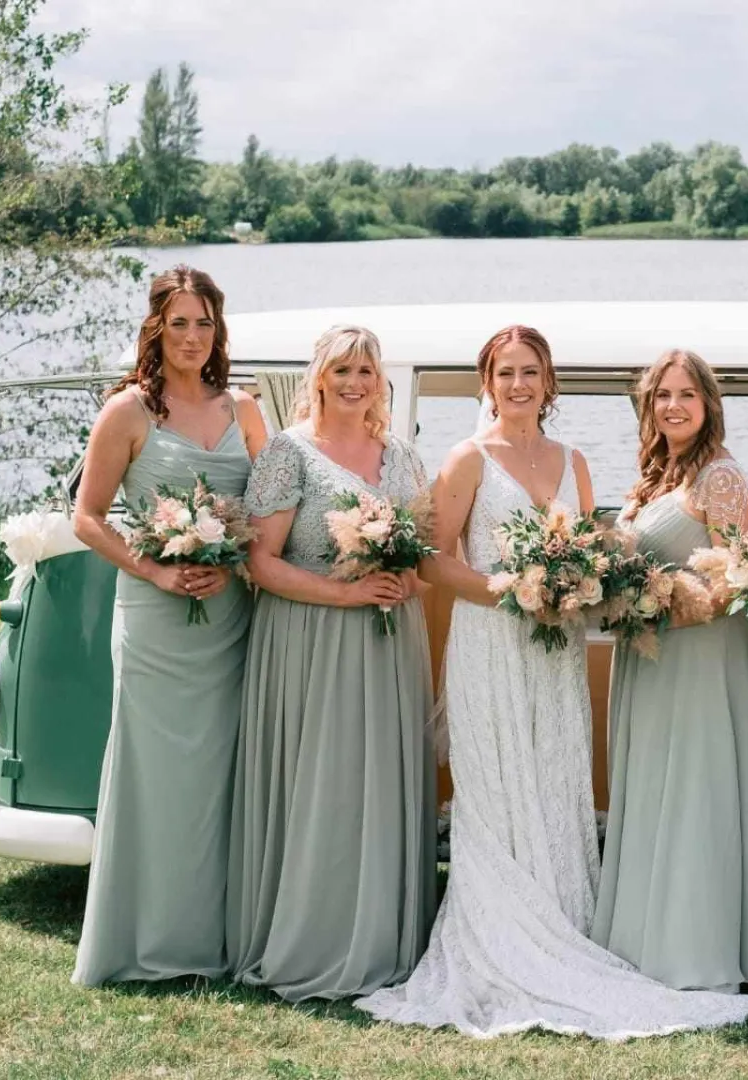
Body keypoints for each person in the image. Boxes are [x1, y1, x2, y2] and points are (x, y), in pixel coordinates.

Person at [354, 326, 748, 1039]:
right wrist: (504, 586)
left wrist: (582, 584)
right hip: (491, 642)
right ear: (487, 382)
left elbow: (600, 557)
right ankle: (496, 943)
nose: (519, 385)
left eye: (531, 372)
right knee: (498, 793)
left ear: (549, 381)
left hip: (556, 648)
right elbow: (433, 559)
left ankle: (568, 929)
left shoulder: (576, 462)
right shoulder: (468, 459)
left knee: (557, 788)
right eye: (506, 373)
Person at [69, 265, 268, 986]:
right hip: (155, 618)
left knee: (221, 776)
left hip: (229, 620)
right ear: (155, 327)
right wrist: (155, 570)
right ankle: (140, 942)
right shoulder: (128, 412)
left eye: (204, 322)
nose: (192, 336)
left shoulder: (243, 410)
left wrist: (239, 552)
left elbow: (268, 513)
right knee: (155, 774)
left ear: (219, 331)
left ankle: (213, 941)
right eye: (179, 322)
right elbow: (86, 518)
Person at [227, 325, 437, 1000]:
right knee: (323, 784)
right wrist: (345, 594)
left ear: (381, 382)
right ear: (318, 376)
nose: (354, 382)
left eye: (366, 371)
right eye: (342, 369)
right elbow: (259, 562)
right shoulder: (290, 454)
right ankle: (310, 937)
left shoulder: (400, 454)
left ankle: (379, 939)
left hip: (388, 642)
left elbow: (424, 553)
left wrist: (409, 580)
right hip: (310, 640)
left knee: (378, 780)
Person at [592, 349, 748, 993]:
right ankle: (648, 937)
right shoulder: (657, 474)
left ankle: (700, 946)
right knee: (656, 786)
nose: (673, 405)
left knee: (699, 788)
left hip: (702, 657)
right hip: (653, 657)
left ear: (708, 404)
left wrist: (664, 611)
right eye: (661, 396)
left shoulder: (720, 477)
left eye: (686, 394)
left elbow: (742, 579)